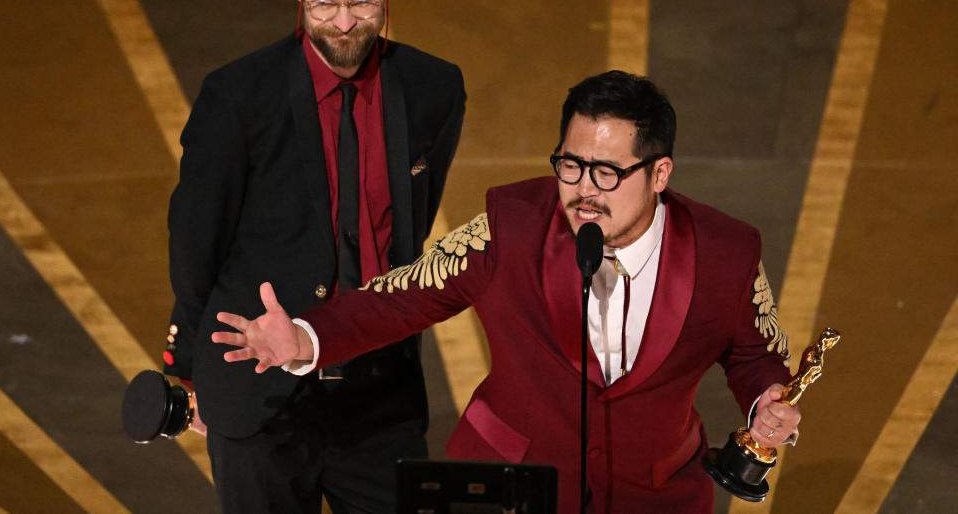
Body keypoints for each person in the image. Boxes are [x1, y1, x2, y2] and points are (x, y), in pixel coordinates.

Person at [213, 71, 798, 513]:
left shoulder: (727, 252)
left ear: (660, 174)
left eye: (607, 173)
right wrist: (306, 338)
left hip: (657, 496)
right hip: (504, 489)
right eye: (570, 165)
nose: (583, 192)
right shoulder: (510, 225)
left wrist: (765, 401)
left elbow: (754, 353)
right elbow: (401, 296)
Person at [161, 0, 466, 513]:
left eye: (364, 0)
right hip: (258, 398)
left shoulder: (437, 89)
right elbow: (196, 243)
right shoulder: (236, 97)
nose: (346, 23)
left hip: (382, 397)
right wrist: (193, 374)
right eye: (323, 2)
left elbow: (409, 228)